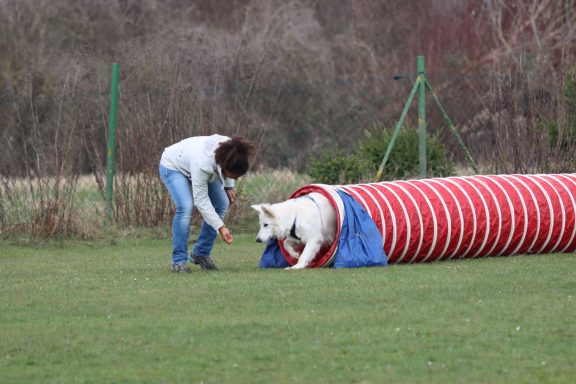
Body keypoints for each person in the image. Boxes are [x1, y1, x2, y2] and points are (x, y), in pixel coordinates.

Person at [159, 134, 256, 273]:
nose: (235, 178)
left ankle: (201, 253)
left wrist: (229, 186)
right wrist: (221, 227)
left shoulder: (232, 149)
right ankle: (178, 261)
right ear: (224, 166)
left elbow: (229, 169)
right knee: (186, 207)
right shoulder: (202, 164)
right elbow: (201, 200)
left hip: (199, 164)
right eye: (233, 175)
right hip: (173, 166)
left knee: (222, 203)